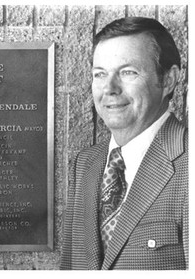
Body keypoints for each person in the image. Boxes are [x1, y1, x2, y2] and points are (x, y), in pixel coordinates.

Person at [60, 17, 188, 270]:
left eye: (128, 72)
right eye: (100, 74)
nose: (109, 88)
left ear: (169, 80)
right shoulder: (85, 164)